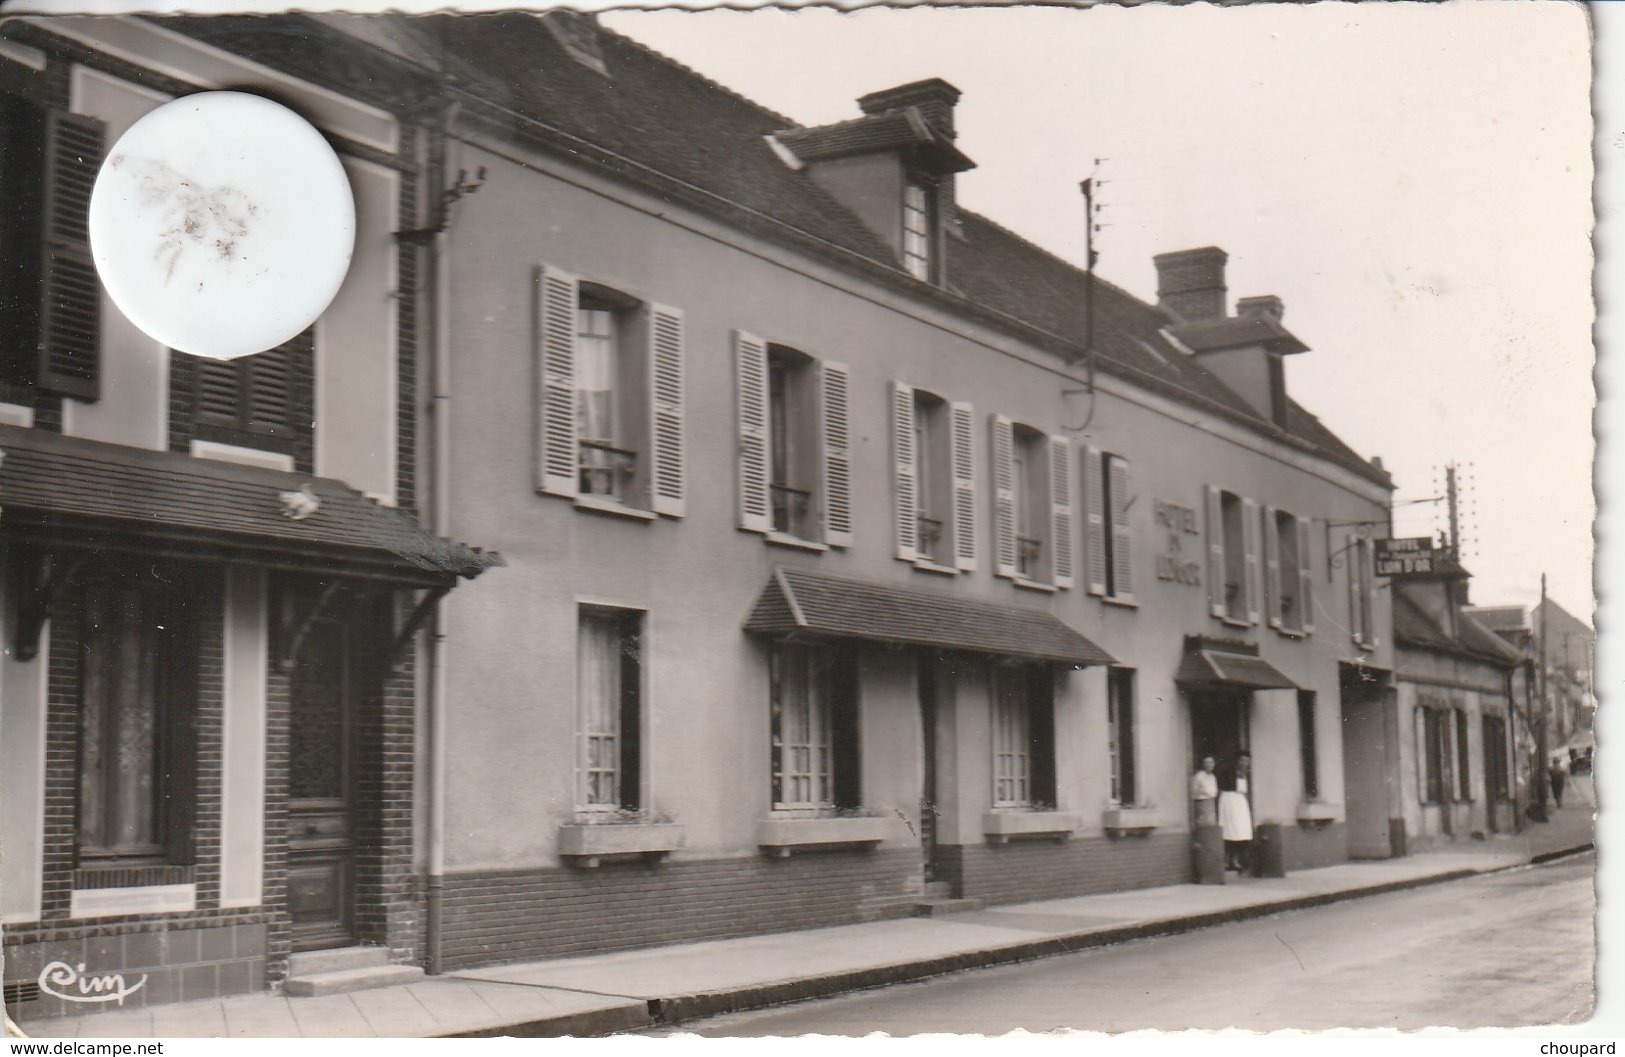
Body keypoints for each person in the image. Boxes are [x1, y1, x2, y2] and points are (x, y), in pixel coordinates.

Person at [1218, 753, 1254, 872]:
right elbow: (1222, 790)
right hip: (1229, 802)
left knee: (1242, 832)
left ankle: (1235, 860)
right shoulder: (1229, 772)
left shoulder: (1245, 774)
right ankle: (1226, 861)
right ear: (1238, 761)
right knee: (1229, 831)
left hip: (1241, 803)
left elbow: (1244, 791)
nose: (1244, 763)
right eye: (1242, 760)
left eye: (1246, 761)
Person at [1190, 756, 1219, 825]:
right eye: (1207, 763)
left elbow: (1214, 791)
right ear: (1203, 764)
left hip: (1211, 802)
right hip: (1201, 802)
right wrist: (1204, 793)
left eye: (1211, 762)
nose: (1209, 765)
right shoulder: (1199, 776)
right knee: (1203, 823)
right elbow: (1194, 790)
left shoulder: (1213, 776)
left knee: (1211, 823)